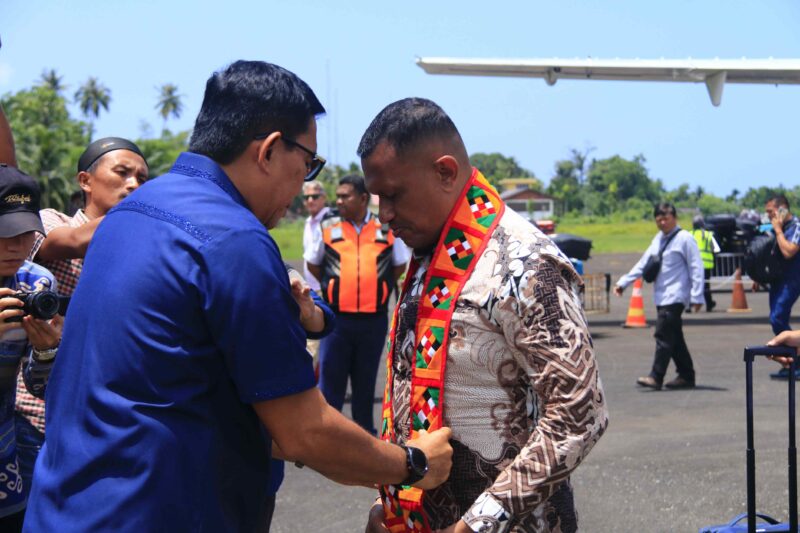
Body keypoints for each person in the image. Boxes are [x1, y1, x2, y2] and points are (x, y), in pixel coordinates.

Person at [23, 61, 452, 533]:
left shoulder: (133, 212)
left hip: (66, 508)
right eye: (306, 164)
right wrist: (412, 462)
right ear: (269, 150)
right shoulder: (233, 240)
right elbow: (303, 432)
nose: (302, 184)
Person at [359, 98, 607, 533]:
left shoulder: (526, 262)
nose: (386, 215)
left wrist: (481, 523)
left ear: (445, 172)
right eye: (378, 198)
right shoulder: (428, 251)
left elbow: (578, 413)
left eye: (394, 195)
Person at [15, 137, 148, 495]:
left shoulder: (139, 252)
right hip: (34, 419)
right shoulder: (51, 221)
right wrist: (144, 212)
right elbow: (69, 241)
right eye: (122, 173)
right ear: (85, 181)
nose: (134, 184)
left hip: (96, 423)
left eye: (142, 178)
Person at [306, 174, 410, 434]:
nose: (339, 201)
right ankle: (328, 441)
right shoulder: (329, 226)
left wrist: (377, 286)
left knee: (365, 387)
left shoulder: (385, 228)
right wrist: (337, 287)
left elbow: (399, 264)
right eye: (338, 196)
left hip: (372, 322)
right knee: (331, 386)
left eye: (345, 196)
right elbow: (313, 263)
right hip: (336, 321)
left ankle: (366, 444)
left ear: (363, 198)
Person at [0, 164, 63, 531]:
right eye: (4, 232)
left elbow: (42, 387)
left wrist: (48, 351)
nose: (16, 246)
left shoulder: (36, 282)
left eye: (26, 233)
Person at [615, 203, 704, 390]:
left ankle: (656, 376)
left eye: (666, 219)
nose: (662, 223)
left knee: (663, 335)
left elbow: (696, 267)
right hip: (662, 295)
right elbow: (643, 263)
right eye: (659, 220)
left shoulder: (685, 239)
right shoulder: (658, 240)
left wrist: (697, 296)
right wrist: (624, 282)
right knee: (674, 337)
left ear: (675, 218)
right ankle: (686, 375)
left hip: (676, 296)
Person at [763, 195, 800, 380]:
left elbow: (788, 251)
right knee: (775, 319)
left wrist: (777, 231)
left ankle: (796, 360)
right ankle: (790, 360)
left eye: (772, 212)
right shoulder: (780, 228)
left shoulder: (796, 227)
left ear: (783, 209)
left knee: (778, 317)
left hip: (793, 279)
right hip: (777, 279)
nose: (769, 216)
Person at [301, 181, 330, 292]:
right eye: (306, 197)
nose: (310, 200)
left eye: (315, 196)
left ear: (324, 198)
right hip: (311, 288)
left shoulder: (330, 222)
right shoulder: (308, 222)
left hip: (325, 287)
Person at [690, 214, 720, 312]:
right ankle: (709, 304)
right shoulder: (707, 235)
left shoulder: (689, 234)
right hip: (706, 264)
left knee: (692, 284)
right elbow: (716, 249)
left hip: (692, 264)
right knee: (706, 285)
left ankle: (689, 306)